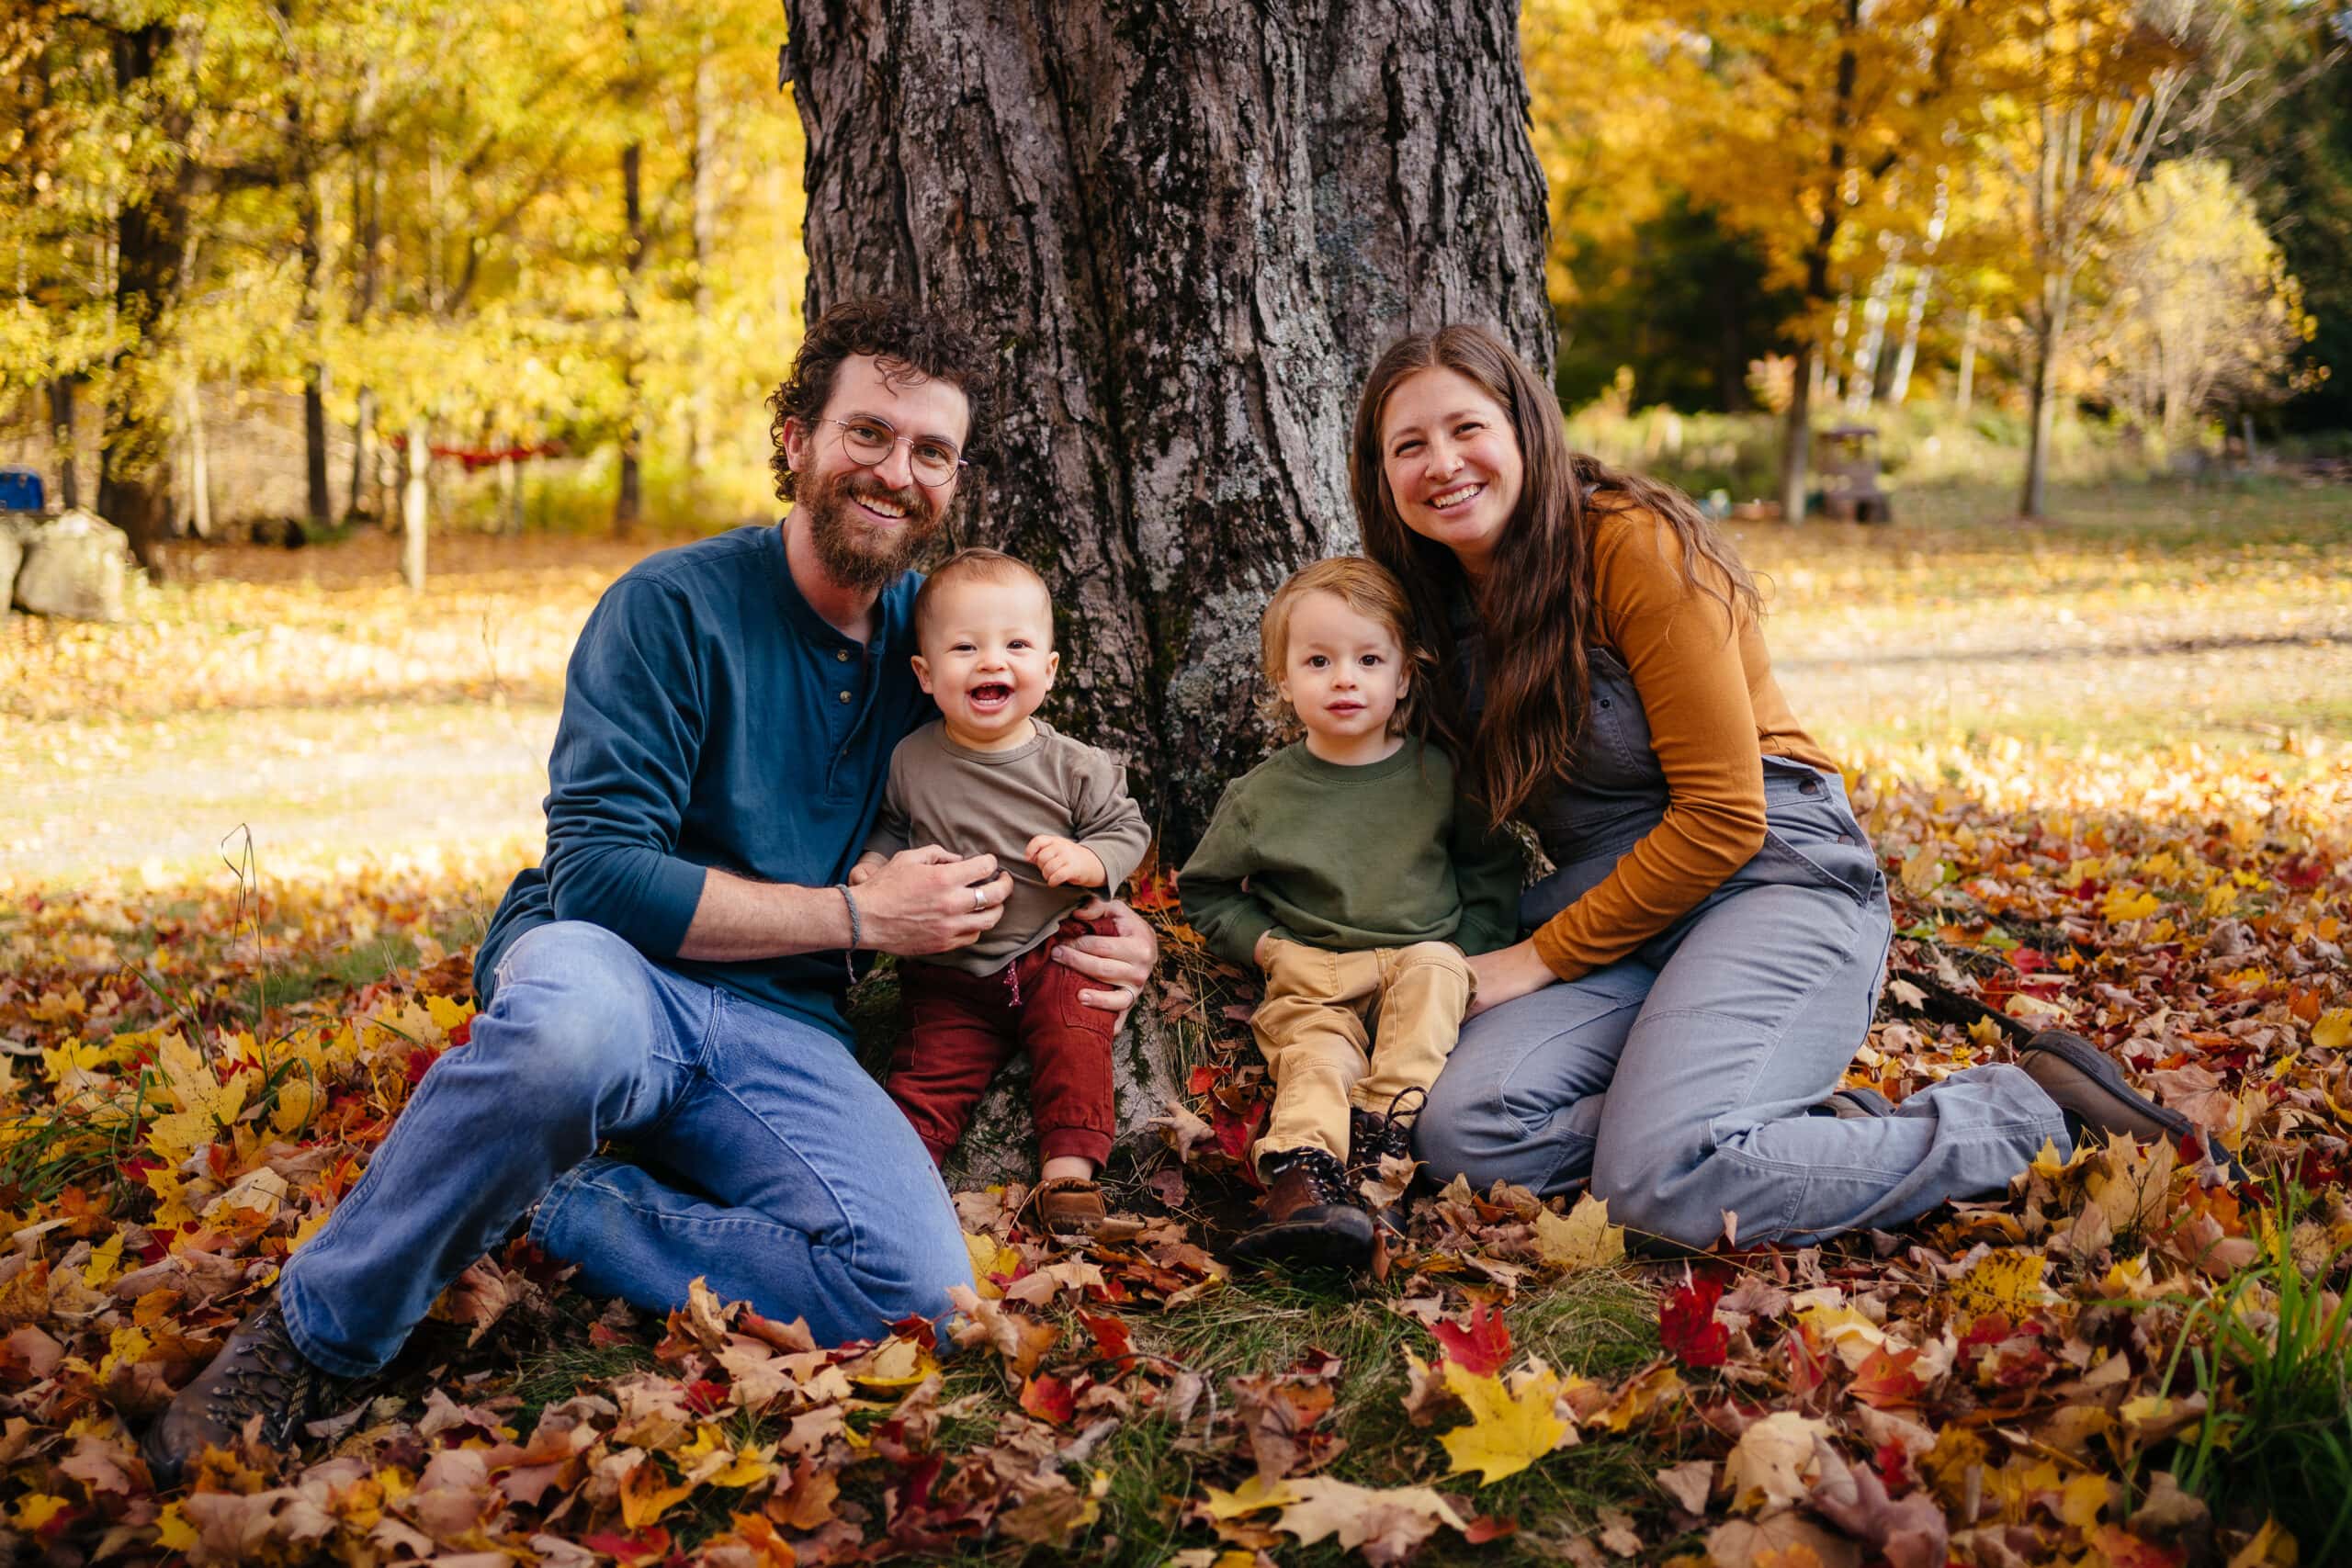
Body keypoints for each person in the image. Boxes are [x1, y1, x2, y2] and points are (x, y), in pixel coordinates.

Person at [141, 298, 1159, 1483]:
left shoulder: (937, 651)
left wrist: (1099, 925)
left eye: (930, 450)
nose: (896, 472)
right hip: (609, 966)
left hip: (785, 1026)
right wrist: (855, 918)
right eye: (867, 434)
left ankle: (562, 1198)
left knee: (918, 1296)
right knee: (566, 1036)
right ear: (796, 440)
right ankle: (312, 1338)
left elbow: (1025, 810)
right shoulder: (670, 607)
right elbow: (601, 876)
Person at [1348, 323, 2199, 1251]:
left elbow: (1721, 816)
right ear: (1379, 474)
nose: (1443, 463)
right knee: (1464, 1132)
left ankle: (2031, 1120)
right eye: (1409, 445)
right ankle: (1758, 1137)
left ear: (1525, 432)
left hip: (1774, 880)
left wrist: (1534, 961)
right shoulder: (1427, 605)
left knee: (1658, 1190)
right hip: (1622, 911)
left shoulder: (1629, 546)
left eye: (1466, 428)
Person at [1180, 557, 1522, 1269]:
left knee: (1433, 966)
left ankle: (1379, 1159)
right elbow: (1206, 892)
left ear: (1402, 677)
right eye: (1318, 660)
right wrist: (1269, 948)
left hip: (1417, 972)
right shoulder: (1262, 796)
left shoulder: (1438, 774)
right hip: (1316, 975)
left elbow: (1490, 870)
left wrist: (1471, 957)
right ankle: (1304, 1190)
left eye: (1369, 659)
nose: (1344, 677)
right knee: (1314, 1062)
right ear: (1283, 680)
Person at [853, 547, 1151, 1239]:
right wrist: (875, 865)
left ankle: (1069, 1173)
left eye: (1016, 645)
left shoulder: (1074, 765)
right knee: (927, 1072)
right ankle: (901, 1181)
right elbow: (895, 826)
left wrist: (1087, 859)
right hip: (952, 971)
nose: (992, 662)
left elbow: (1123, 827)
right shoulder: (913, 759)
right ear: (925, 675)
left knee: (1076, 1033)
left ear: (1047, 669)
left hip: (1051, 948)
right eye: (965, 647)